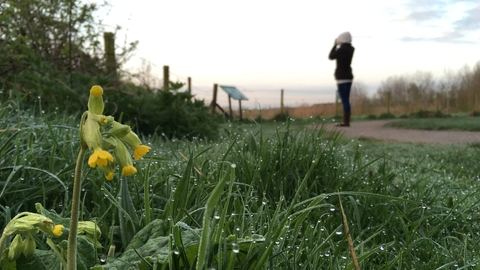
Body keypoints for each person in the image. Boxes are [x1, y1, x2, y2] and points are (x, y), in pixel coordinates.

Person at [329, 31, 355, 127]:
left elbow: (331, 56)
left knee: (344, 100)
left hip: (341, 77)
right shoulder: (351, 49)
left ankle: (346, 122)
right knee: (346, 99)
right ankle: (346, 121)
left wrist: (334, 45)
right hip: (349, 76)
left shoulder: (341, 50)